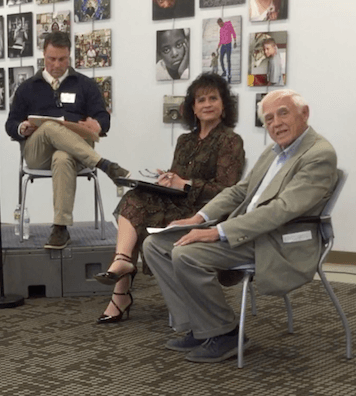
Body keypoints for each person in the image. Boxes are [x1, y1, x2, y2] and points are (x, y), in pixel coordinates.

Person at [143, 89, 338, 363]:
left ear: (304, 114)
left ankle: (226, 333)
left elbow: (281, 210)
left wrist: (218, 232)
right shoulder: (275, 151)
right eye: (269, 119)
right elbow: (238, 192)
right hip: (246, 231)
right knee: (155, 245)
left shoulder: (319, 154)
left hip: (276, 240)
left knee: (186, 254)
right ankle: (199, 328)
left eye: (283, 113)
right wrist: (197, 219)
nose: (276, 123)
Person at [94, 73, 245, 324]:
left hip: (206, 214)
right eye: (201, 100)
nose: (207, 104)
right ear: (193, 108)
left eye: (213, 98)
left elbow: (228, 191)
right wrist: (169, 180)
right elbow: (179, 180)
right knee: (134, 197)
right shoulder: (185, 140)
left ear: (223, 105)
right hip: (180, 204)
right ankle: (122, 263)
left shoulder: (230, 140)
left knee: (136, 212)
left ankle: (120, 293)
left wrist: (185, 183)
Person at [6, 31, 129, 250]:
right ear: (44, 55)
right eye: (51, 59)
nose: (56, 64)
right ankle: (104, 164)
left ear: (69, 56)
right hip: (37, 152)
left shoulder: (85, 85)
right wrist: (21, 127)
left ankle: (60, 228)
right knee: (51, 126)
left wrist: (98, 124)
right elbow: (11, 124)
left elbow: (103, 117)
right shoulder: (27, 88)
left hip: (76, 154)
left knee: (62, 157)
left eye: (62, 59)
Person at [216, 18, 237, 83]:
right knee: (221, 59)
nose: (220, 26)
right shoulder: (221, 30)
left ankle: (229, 74)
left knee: (228, 60)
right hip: (223, 46)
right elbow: (221, 39)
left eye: (221, 24)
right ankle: (224, 71)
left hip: (228, 45)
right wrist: (218, 47)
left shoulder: (228, 25)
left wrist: (235, 41)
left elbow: (233, 32)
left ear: (222, 22)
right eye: (219, 25)